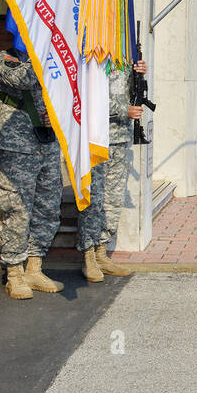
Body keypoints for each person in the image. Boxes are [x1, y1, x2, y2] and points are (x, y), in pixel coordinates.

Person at [0, 48, 64, 299]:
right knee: (17, 210)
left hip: (47, 145)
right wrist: (39, 55)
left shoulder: (51, 59)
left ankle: (34, 266)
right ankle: (14, 273)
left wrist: (57, 116)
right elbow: (24, 79)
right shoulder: (1, 60)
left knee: (48, 208)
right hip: (17, 147)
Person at [76, 59, 147, 281]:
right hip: (96, 140)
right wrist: (123, 110)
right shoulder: (90, 61)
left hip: (120, 139)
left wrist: (140, 74)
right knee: (92, 199)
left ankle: (101, 253)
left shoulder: (124, 63)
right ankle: (88, 256)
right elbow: (88, 99)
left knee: (113, 200)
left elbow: (134, 95)